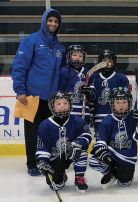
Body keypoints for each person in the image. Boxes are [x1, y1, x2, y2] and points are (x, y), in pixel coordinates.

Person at [11, 8, 65, 176]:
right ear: (44, 21)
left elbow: (62, 73)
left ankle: (45, 159)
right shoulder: (31, 41)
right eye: (50, 20)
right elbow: (20, 66)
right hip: (31, 96)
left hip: (51, 99)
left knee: (49, 130)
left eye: (56, 22)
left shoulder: (59, 47)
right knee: (32, 132)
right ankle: (32, 164)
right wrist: (20, 90)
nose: (53, 24)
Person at [89, 87, 138, 189]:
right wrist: (102, 152)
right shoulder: (107, 120)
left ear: (129, 103)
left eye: (124, 102)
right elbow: (101, 140)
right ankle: (110, 172)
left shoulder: (134, 117)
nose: (121, 105)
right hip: (112, 153)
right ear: (112, 104)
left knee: (124, 184)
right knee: (94, 160)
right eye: (117, 102)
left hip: (128, 157)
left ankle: (121, 174)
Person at [35, 91, 92, 193]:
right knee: (57, 185)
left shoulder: (78, 121)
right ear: (52, 106)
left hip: (72, 152)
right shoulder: (44, 125)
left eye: (65, 103)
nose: (62, 106)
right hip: (55, 157)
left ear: (70, 104)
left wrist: (78, 143)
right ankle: (61, 176)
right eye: (58, 104)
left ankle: (79, 177)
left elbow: (87, 135)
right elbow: (42, 147)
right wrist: (43, 163)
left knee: (81, 149)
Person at [88, 50, 129, 132]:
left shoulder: (121, 78)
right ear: (99, 63)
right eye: (104, 61)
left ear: (114, 63)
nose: (107, 63)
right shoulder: (94, 77)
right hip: (98, 116)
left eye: (110, 61)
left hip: (116, 117)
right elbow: (91, 98)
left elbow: (126, 99)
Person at [58, 45, 93, 123]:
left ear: (83, 58)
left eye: (80, 56)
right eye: (74, 55)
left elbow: (92, 93)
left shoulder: (88, 72)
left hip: (84, 110)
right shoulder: (64, 71)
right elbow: (60, 91)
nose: (77, 57)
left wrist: (90, 92)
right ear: (69, 57)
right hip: (69, 110)